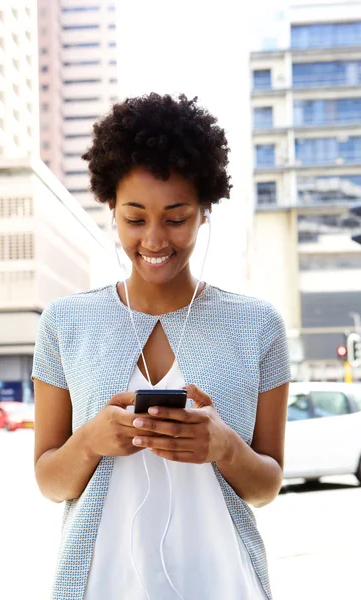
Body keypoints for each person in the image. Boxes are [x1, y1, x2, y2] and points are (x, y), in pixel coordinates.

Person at [31, 93, 291, 600]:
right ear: (111, 208)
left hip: (225, 584)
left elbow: (266, 486)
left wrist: (224, 447)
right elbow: (50, 482)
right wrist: (90, 441)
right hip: (99, 586)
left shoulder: (257, 325)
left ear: (205, 210)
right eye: (134, 218)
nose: (154, 240)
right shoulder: (66, 323)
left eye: (176, 218)